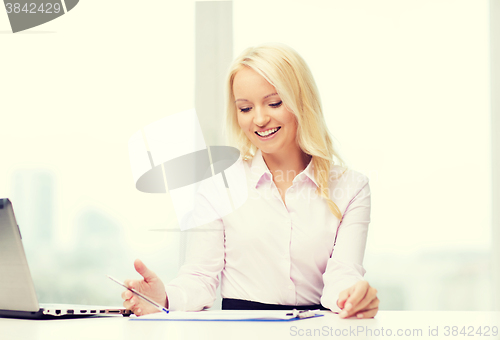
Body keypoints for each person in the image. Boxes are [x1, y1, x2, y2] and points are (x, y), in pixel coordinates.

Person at [122, 43, 379, 319]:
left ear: (301, 102)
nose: (259, 119)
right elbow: (199, 277)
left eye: (274, 103)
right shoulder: (218, 185)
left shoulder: (351, 188)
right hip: (239, 330)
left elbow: (343, 273)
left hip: (315, 329)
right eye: (245, 108)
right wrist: (165, 298)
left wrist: (354, 298)